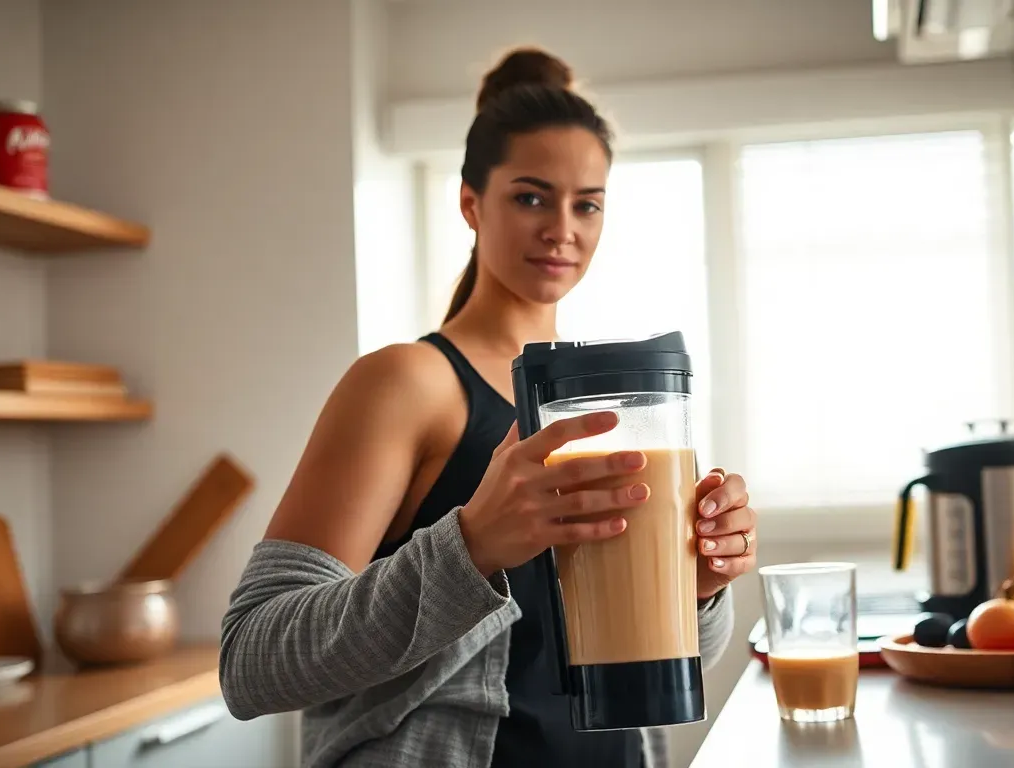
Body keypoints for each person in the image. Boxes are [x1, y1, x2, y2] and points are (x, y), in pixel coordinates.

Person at [218, 46, 760, 768]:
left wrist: (696, 586)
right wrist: (470, 544)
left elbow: (667, 654)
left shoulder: (607, 400)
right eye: (531, 196)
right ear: (471, 203)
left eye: (587, 203)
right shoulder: (408, 383)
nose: (562, 227)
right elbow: (252, 659)